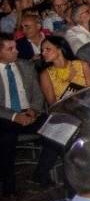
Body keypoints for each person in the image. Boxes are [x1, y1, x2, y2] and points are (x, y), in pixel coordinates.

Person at [0, 31, 57, 191]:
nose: (16, 51)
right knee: (6, 137)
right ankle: (8, 187)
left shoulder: (25, 65)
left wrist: (34, 110)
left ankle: (40, 174)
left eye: (15, 47)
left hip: (29, 112)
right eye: (10, 49)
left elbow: (38, 94)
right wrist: (14, 116)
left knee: (57, 128)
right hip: (5, 117)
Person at [39, 35, 90, 104]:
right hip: (64, 110)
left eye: (47, 49)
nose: (43, 53)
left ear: (59, 49)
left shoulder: (83, 65)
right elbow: (53, 104)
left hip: (88, 106)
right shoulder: (45, 75)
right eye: (42, 50)